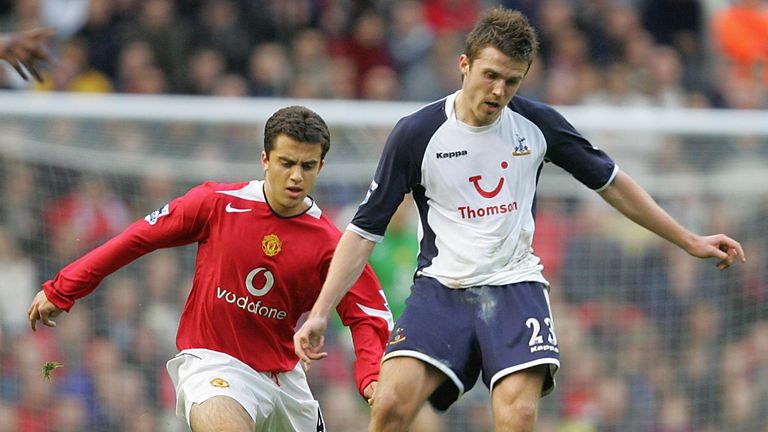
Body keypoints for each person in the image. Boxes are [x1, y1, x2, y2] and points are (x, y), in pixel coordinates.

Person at [294, 7, 746, 432]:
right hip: (441, 290)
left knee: (519, 412)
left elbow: (611, 182)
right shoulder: (417, 134)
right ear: (464, 64)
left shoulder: (536, 125)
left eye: (511, 82)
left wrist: (688, 239)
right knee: (391, 405)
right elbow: (364, 231)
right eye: (490, 75)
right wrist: (320, 312)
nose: (498, 92)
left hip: (515, 287)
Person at [28, 105, 393, 432]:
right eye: (286, 163)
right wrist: (65, 286)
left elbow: (367, 314)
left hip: (284, 380)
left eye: (307, 166)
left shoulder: (331, 243)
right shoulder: (216, 204)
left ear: (321, 167)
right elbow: (138, 238)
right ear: (265, 159)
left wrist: (372, 377)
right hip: (214, 364)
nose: (296, 176)